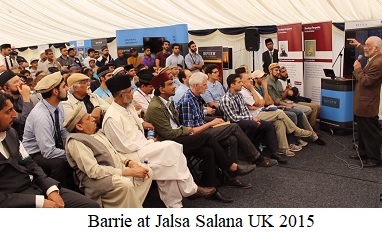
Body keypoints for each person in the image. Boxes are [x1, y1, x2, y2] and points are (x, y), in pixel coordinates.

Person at [102, 74, 216, 208]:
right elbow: (124, 147)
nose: (132, 94)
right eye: (130, 91)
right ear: (121, 95)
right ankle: (190, 189)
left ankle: (175, 205)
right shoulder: (111, 118)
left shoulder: (128, 107)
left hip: (144, 146)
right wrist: (149, 141)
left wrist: (143, 123)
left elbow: (135, 122)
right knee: (173, 147)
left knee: (167, 164)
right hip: (132, 155)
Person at [146, 73, 256, 202]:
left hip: (181, 136)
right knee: (208, 137)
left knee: (209, 151)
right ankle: (232, 166)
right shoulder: (155, 107)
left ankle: (213, 189)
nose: (174, 86)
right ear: (161, 89)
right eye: (170, 84)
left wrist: (190, 129)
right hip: (171, 143)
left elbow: (177, 125)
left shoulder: (167, 101)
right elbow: (168, 134)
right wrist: (188, 130)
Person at [0, 92, 99, 208]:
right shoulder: (40, 116)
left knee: (90, 206)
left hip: (36, 186)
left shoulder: (11, 133)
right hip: (16, 200)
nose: (15, 115)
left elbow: (29, 164)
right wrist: (39, 202)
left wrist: (50, 188)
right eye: (8, 111)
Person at [177, 72, 278, 167]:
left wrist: (212, 122)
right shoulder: (187, 101)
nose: (207, 87)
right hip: (198, 136)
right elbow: (190, 131)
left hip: (204, 129)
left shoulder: (197, 98)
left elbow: (198, 119)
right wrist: (211, 123)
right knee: (234, 126)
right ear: (196, 85)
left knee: (232, 139)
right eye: (204, 85)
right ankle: (256, 157)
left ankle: (232, 173)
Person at [64, 105, 153, 207]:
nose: (93, 119)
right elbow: (94, 171)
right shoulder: (76, 142)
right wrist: (127, 171)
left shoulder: (97, 133)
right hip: (97, 180)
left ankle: (129, 206)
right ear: (79, 127)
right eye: (88, 118)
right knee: (125, 184)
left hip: (116, 170)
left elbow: (114, 152)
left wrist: (130, 163)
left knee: (147, 172)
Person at [22, 72, 76, 190]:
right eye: (63, 86)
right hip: (35, 153)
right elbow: (48, 152)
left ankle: (75, 189)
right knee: (59, 163)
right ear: (55, 92)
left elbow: (62, 131)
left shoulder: (58, 105)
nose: (67, 88)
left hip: (50, 147)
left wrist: (73, 145)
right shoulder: (41, 116)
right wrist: (72, 155)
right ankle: (61, 192)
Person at [348, 36, 382, 167]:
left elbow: (366, 82)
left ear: (376, 48)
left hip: (368, 104)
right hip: (363, 103)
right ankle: (363, 154)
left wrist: (357, 69)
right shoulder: (375, 57)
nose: (365, 48)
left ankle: (375, 159)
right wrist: (358, 45)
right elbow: (366, 52)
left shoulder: (379, 62)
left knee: (370, 133)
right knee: (362, 131)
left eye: (368, 45)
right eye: (365, 44)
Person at [267, 63, 326, 146]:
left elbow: (282, 96)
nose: (278, 72)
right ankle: (305, 136)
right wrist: (287, 105)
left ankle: (311, 135)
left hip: (284, 102)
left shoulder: (278, 82)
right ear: (270, 71)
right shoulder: (268, 83)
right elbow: (276, 101)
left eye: (278, 70)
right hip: (276, 106)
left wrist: (286, 90)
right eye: (276, 70)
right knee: (301, 113)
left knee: (304, 112)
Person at [0, 70, 34, 140]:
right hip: (16, 138)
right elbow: (23, 120)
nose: (21, 83)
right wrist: (26, 98)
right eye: (16, 82)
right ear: (6, 88)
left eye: (20, 80)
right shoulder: (4, 103)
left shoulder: (21, 96)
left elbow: (34, 115)